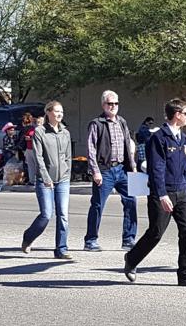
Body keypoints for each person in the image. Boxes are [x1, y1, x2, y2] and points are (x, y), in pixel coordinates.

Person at [124, 99, 186, 287]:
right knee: (156, 233)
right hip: (163, 193)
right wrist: (162, 194)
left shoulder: (184, 138)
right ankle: (132, 259)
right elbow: (156, 169)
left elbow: (183, 165)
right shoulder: (158, 137)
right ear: (177, 114)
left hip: (182, 191)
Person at [84, 90, 138, 252]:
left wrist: (133, 166)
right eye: (110, 103)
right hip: (104, 170)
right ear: (103, 105)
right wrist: (95, 171)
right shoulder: (96, 123)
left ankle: (128, 239)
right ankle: (91, 240)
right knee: (98, 205)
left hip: (122, 169)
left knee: (131, 201)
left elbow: (128, 145)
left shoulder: (122, 121)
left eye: (116, 103)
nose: (113, 106)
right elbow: (91, 149)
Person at [21, 101, 73, 260]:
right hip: (45, 180)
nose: (59, 114)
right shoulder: (40, 132)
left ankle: (61, 249)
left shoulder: (65, 132)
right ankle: (28, 237)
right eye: (57, 111)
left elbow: (68, 156)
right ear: (48, 112)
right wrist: (45, 177)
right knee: (46, 214)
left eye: (61, 112)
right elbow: (38, 157)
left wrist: (67, 173)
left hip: (62, 179)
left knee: (63, 215)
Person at [18, 112, 38, 185]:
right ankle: (32, 180)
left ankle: (37, 180)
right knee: (30, 166)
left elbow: (38, 139)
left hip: (35, 149)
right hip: (28, 148)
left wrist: (30, 138)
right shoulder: (29, 129)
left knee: (36, 165)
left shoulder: (36, 129)